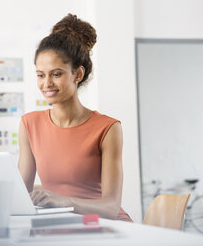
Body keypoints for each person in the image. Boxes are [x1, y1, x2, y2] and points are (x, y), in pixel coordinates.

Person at [18, 14, 132, 222]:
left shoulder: (108, 128)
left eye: (57, 74)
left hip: (104, 225)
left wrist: (64, 201)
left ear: (78, 74)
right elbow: (18, 194)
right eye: (41, 75)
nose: (47, 84)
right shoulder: (29, 124)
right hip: (62, 224)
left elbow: (111, 207)